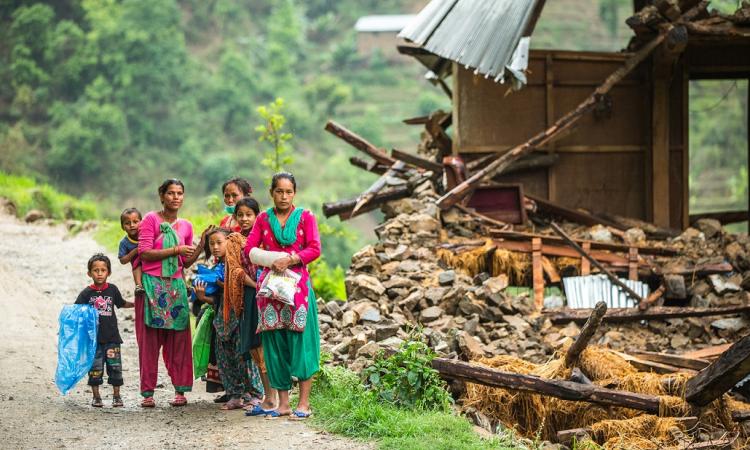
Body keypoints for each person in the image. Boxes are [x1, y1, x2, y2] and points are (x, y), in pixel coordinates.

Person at [243, 172, 321, 419]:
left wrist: (291, 259)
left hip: (298, 291)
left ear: (294, 193)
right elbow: (249, 250)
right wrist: (272, 259)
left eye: (288, 192)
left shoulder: (306, 217)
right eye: (279, 191)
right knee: (275, 344)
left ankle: (304, 404)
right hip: (270, 291)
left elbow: (315, 248)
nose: (284, 196)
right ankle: (284, 404)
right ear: (272, 193)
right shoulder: (264, 219)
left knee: (301, 343)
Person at [137, 179, 202, 407]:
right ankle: (148, 393)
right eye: (171, 193)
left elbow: (185, 261)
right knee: (150, 342)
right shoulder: (150, 219)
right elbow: (144, 253)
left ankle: (180, 391)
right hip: (153, 285)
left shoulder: (186, 225)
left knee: (179, 341)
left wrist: (201, 245)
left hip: (176, 286)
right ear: (162, 196)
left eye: (180, 193)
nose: (176, 197)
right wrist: (175, 249)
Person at [195, 228, 261, 410]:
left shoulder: (239, 265)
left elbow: (239, 287)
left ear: (229, 243)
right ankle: (234, 394)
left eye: (219, 243)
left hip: (240, 319)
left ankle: (253, 394)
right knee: (225, 357)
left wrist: (221, 283)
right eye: (211, 244)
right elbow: (216, 299)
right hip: (222, 321)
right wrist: (202, 298)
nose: (215, 247)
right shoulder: (216, 268)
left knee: (245, 358)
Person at [227, 198, 279, 415]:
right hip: (250, 295)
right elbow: (236, 270)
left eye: (249, 214)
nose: (245, 219)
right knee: (257, 347)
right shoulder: (234, 241)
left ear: (257, 216)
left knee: (272, 345)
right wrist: (257, 284)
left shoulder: (266, 238)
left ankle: (275, 398)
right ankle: (269, 398)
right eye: (241, 215)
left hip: (270, 295)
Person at [75, 253, 134, 408]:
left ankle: (116, 396)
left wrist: (136, 304)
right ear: (89, 273)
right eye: (96, 270)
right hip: (94, 341)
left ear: (109, 272)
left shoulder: (112, 290)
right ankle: (96, 397)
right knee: (95, 370)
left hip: (112, 339)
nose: (100, 273)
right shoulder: (86, 293)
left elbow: (121, 303)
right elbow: (76, 311)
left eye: (103, 270)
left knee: (115, 368)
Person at [118, 207, 144, 295]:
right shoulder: (124, 243)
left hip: (152, 262)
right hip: (138, 267)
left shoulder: (146, 234)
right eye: (127, 223)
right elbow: (122, 260)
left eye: (135, 222)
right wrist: (135, 251)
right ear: (122, 227)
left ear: (142, 222)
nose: (132, 225)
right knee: (137, 266)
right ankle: (138, 286)